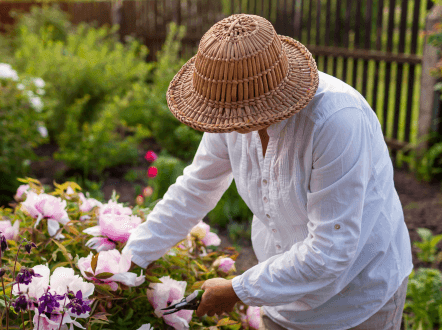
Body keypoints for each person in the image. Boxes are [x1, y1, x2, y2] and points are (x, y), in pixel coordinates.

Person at [122, 13, 413, 330]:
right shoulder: (228, 109)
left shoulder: (336, 119)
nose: (233, 124)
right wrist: (131, 259)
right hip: (280, 292)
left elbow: (331, 251)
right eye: (225, 113)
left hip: (357, 297)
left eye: (244, 111)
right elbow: (194, 190)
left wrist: (237, 290)